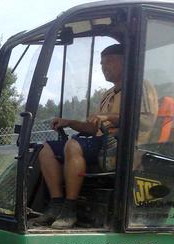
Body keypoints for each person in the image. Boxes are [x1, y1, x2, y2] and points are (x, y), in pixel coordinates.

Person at [32, 43, 157, 228]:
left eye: (110, 61)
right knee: (44, 147)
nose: (104, 67)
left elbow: (146, 121)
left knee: (73, 145)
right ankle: (56, 204)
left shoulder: (141, 86)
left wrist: (109, 117)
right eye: (102, 63)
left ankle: (70, 208)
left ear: (126, 62)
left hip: (125, 146)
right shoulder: (107, 94)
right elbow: (94, 128)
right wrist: (69, 122)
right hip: (102, 142)